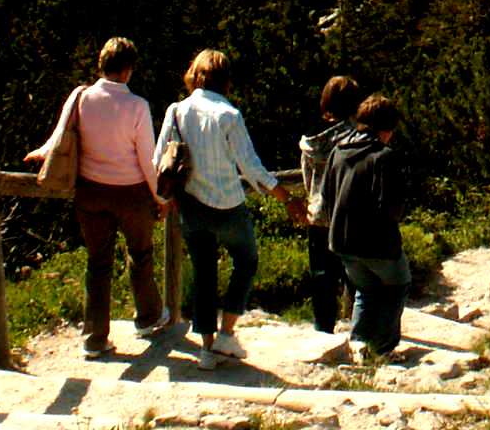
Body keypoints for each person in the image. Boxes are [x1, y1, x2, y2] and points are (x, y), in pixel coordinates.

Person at [156, 49, 304, 371]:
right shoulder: (229, 115)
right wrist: (287, 199)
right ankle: (227, 332)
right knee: (246, 261)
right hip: (229, 204)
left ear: (195, 75)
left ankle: (206, 350)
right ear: (226, 80)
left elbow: (159, 162)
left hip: (192, 204)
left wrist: (164, 203)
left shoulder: (176, 111)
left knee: (205, 273)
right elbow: (252, 169)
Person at [27, 36, 168, 358]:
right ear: (129, 69)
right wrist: (160, 198)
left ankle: (94, 337)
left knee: (98, 263)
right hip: (130, 193)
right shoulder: (137, 106)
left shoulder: (81, 97)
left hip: (90, 190)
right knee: (141, 254)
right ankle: (147, 317)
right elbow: (148, 159)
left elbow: (61, 135)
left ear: (101, 64)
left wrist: (42, 153)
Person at [320, 94, 413, 360]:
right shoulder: (383, 157)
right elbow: (392, 207)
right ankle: (382, 348)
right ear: (386, 128)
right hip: (376, 242)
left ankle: (359, 343)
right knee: (398, 285)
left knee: (366, 289)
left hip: (340, 240)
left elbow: (326, 195)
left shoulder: (338, 151)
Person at [299, 75, 364, 335]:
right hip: (349, 215)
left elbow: (306, 178)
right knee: (357, 275)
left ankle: (323, 328)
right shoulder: (357, 137)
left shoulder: (311, 142)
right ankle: (358, 327)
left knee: (322, 276)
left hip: (318, 215)